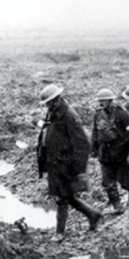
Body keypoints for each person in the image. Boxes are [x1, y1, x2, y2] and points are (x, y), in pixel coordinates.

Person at [37, 85, 102, 240]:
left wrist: (79, 170)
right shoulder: (52, 113)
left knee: (62, 198)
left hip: (67, 164)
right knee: (66, 196)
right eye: (46, 103)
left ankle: (60, 232)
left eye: (50, 102)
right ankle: (93, 215)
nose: (48, 106)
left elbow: (83, 143)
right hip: (55, 162)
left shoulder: (69, 116)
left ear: (57, 100)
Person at [91, 88, 129, 214]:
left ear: (110, 100)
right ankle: (117, 206)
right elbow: (95, 132)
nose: (101, 103)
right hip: (105, 154)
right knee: (107, 183)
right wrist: (93, 149)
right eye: (99, 101)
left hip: (121, 153)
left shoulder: (121, 113)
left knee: (124, 182)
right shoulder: (97, 114)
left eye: (104, 100)